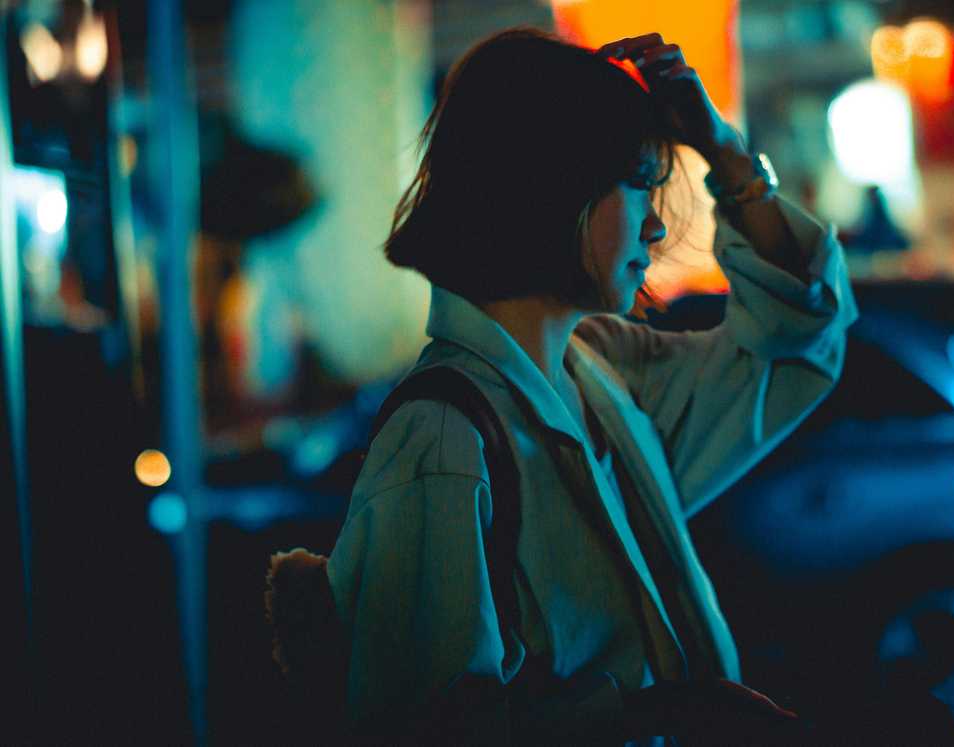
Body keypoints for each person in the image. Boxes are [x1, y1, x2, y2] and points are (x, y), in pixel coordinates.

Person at [326, 28, 857, 745]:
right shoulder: (444, 440)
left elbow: (796, 338)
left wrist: (723, 148)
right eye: (639, 184)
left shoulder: (599, 377)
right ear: (555, 186)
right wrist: (662, 714)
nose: (658, 223)